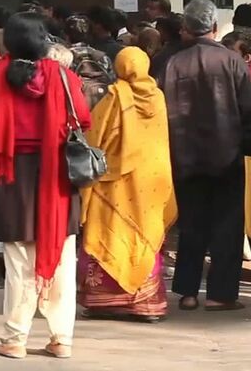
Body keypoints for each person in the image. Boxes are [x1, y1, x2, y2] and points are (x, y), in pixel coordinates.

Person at [0, 12, 89, 360]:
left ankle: (14, 338)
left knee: (18, 261)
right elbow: (82, 118)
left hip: (13, 174)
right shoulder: (63, 76)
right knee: (62, 260)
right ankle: (61, 338)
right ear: (44, 40)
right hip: (56, 173)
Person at [158, 0, 251, 312]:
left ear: (185, 27)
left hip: (181, 153)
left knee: (190, 224)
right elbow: (249, 110)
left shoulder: (166, 60)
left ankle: (187, 291)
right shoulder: (232, 61)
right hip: (226, 155)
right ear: (215, 27)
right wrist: (250, 147)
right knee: (227, 226)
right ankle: (221, 293)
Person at [80, 47, 177, 322]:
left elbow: (95, 138)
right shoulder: (157, 97)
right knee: (144, 237)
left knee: (110, 235)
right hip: (151, 180)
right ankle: (144, 302)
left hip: (115, 180)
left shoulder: (113, 97)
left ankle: (105, 302)